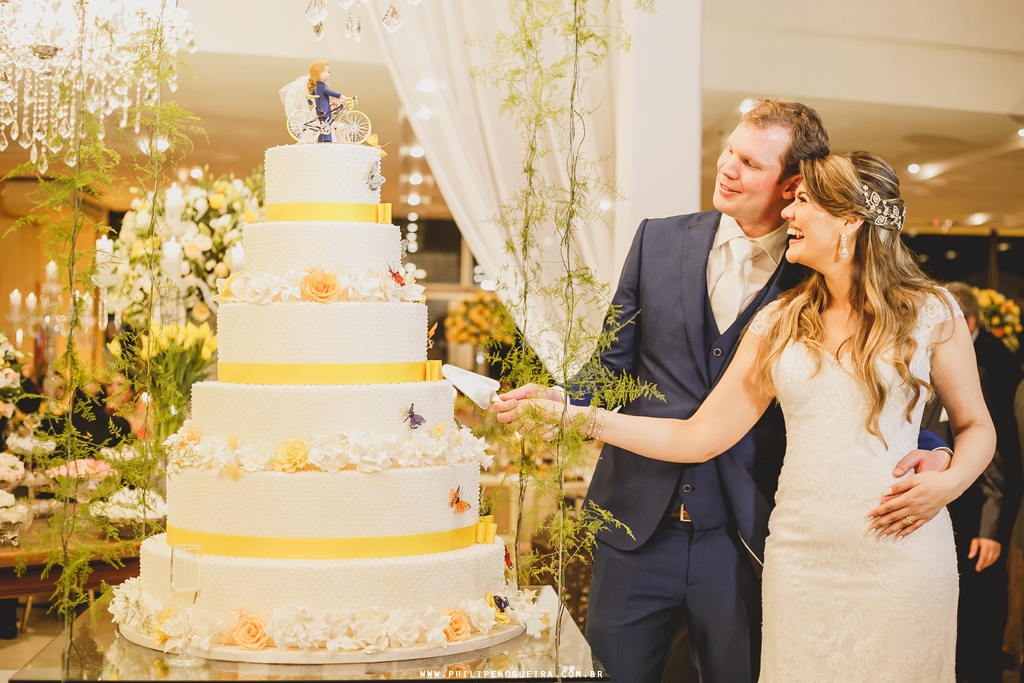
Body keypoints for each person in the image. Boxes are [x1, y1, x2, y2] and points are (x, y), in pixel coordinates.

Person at [496, 101, 951, 683]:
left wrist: (936, 450)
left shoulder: (814, 268)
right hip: (636, 527)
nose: (726, 167)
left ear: (792, 184)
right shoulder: (657, 241)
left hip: (748, 537)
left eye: (750, 163)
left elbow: (868, 392)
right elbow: (609, 368)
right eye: (729, 151)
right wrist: (563, 400)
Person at [922, 282, 1023, 683]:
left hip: (971, 511)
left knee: (977, 616)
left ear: (966, 323)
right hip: (931, 511)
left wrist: (990, 529)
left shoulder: (986, 366)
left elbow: (998, 458)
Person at [308, 60, 341, 143]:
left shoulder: (318, 87)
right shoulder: (322, 86)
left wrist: (309, 100)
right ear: (321, 74)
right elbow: (329, 92)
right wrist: (341, 96)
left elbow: (312, 94)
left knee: (322, 123)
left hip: (321, 108)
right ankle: (327, 138)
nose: (329, 73)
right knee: (327, 121)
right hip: (324, 108)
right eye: (327, 71)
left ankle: (321, 138)